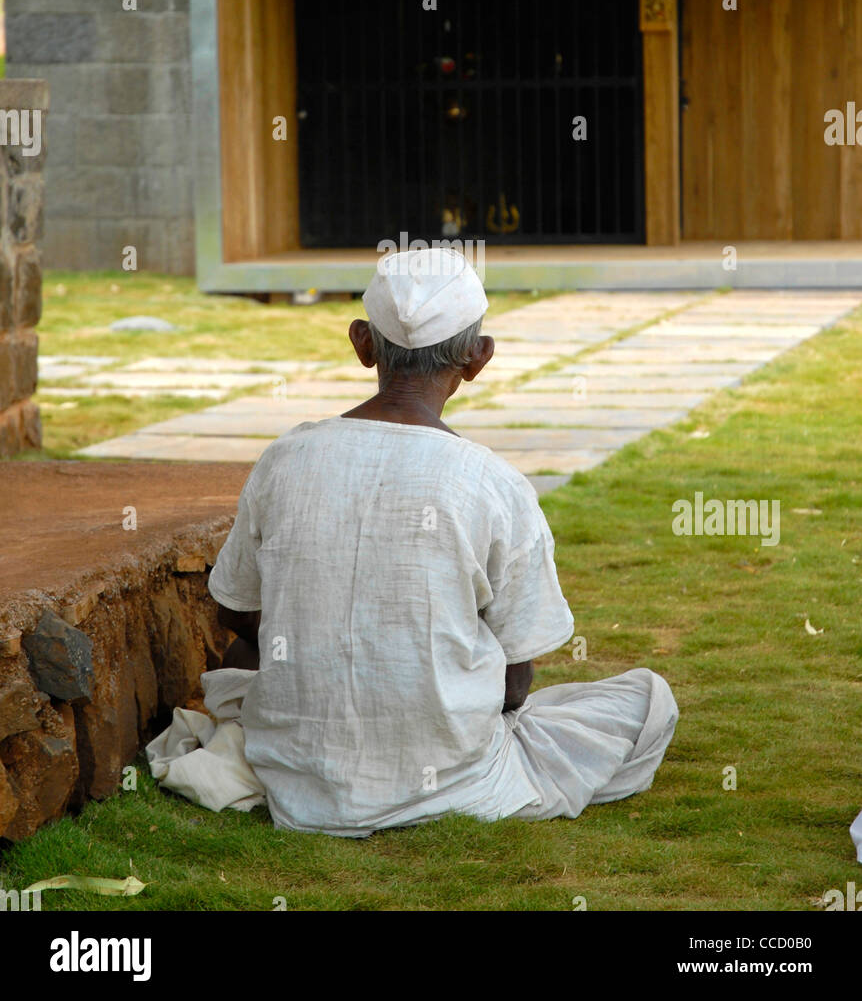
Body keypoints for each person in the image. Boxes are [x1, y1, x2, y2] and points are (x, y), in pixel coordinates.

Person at [154, 247, 678, 835]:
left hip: (301, 776)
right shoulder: (495, 485)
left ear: (361, 343)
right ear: (479, 358)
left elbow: (235, 607)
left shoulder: (285, 458)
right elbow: (515, 681)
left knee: (247, 661)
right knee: (646, 701)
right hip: (452, 771)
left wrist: (318, 638)